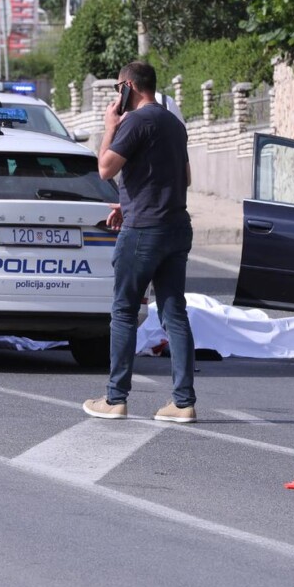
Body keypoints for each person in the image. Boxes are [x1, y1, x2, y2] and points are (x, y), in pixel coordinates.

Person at [83, 61, 198, 423]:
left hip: (143, 231)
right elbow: (185, 178)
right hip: (176, 227)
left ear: (129, 86)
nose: (118, 94)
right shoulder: (174, 124)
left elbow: (105, 168)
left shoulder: (134, 122)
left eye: (119, 88)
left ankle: (115, 397)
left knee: (124, 311)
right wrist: (128, 201)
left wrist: (109, 127)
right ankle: (183, 403)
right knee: (174, 313)